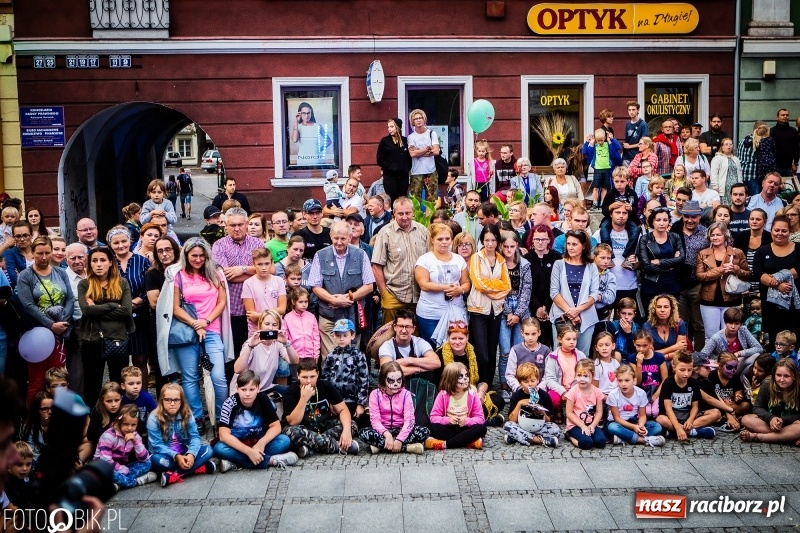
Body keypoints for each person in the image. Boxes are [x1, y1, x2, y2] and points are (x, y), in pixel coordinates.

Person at [168, 237, 234, 431]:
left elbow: (222, 303)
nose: (197, 259)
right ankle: (196, 418)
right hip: (187, 331)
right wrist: (195, 324)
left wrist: (205, 322)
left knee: (218, 377)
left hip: (211, 330)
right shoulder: (178, 275)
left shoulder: (216, 274)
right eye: (194, 256)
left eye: (201, 256)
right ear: (186, 255)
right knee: (189, 377)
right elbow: (175, 307)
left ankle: (222, 416)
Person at [16, 236, 74, 402]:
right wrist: (51, 324)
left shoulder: (60, 272)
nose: (44, 257)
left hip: (60, 332)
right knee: (37, 379)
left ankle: (58, 414)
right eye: (39, 253)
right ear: (32, 253)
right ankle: (33, 415)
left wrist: (63, 321)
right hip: (37, 335)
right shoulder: (26, 276)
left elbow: (69, 298)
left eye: (47, 253)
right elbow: (28, 305)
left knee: (58, 378)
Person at [78, 246, 134, 408]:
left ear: (110, 262)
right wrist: (113, 305)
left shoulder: (122, 283)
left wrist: (98, 308)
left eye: (102, 260)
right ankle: (91, 419)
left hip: (117, 339)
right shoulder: (84, 284)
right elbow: (87, 310)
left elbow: (126, 311)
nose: (98, 264)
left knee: (118, 383)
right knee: (92, 385)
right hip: (92, 340)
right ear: (90, 263)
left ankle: (118, 418)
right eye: (94, 261)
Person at [309, 221, 374, 355]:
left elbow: (369, 286)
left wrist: (349, 298)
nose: (339, 242)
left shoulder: (361, 254)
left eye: (343, 238)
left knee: (352, 357)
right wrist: (333, 300)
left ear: (350, 237)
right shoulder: (320, 255)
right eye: (336, 238)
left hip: (353, 316)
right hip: (329, 316)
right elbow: (315, 285)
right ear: (330, 236)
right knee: (330, 357)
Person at [214, 371, 296, 471]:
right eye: (243, 389)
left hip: (258, 442)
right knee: (219, 448)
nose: (247, 394)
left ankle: (235, 462)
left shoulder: (263, 399)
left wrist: (261, 443)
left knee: (284, 440)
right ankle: (271, 460)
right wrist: (249, 452)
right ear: (237, 388)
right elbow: (223, 435)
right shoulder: (229, 403)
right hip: (237, 445)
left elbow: (276, 426)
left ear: (258, 389)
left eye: (252, 389)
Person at [212, 207, 264, 367]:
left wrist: (242, 269)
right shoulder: (219, 245)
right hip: (232, 308)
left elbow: (266, 269)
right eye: (232, 225)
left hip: (256, 307)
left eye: (240, 224)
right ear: (226, 226)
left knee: (256, 352)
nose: (237, 228)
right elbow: (225, 276)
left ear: (247, 224)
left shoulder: (258, 243)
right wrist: (254, 272)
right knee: (233, 353)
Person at [282, 358, 359, 457]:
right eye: (304, 377)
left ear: (318, 374)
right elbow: (293, 422)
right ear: (298, 375)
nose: (309, 381)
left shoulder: (325, 385)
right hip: (304, 428)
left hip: (323, 426)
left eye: (312, 377)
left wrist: (347, 431)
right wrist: (303, 399)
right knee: (291, 432)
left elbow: (343, 409)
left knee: (351, 424)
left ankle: (312, 446)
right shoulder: (290, 392)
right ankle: (338, 446)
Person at [106, 226, 152, 387]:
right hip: (117, 318)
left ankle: (142, 397)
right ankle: (119, 397)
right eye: (116, 243)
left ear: (130, 241)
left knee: (140, 360)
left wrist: (139, 300)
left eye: (124, 241)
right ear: (110, 245)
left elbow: (150, 287)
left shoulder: (142, 261)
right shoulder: (108, 263)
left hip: (140, 316)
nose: (120, 245)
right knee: (120, 361)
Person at [372, 197, 429, 325]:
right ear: (394, 213)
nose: (404, 217)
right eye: (400, 213)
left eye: (408, 213)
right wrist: (384, 294)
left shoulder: (423, 231)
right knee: (390, 333)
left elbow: (430, 262)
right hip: (393, 294)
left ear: (413, 212)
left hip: (419, 296)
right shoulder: (385, 233)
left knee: (414, 334)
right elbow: (376, 266)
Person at [413, 223, 469, 348]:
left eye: (447, 239)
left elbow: (466, 283)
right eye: (440, 239)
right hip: (430, 313)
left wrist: (460, 290)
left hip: (455, 312)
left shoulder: (459, 259)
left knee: (456, 347)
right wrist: (446, 288)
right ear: (432, 240)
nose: (444, 242)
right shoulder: (424, 260)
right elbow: (423, 285)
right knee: (432, 348)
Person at [466, 224, 510, 386]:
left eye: (493, 240)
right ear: (482, 241)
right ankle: (479, 383)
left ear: (498, 241)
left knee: (492, 351)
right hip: (478, 309)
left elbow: (507, 285)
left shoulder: (501, 259)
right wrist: (496, 287)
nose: (490, 244)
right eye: (487, 240)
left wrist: (491, 291)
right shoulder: (476, 258)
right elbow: (479, 283)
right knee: (481, 351)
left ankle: (489, 386)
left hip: (496, 310)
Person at [147, 383, 215, 486]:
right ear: (162, 400)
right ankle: (199, 467)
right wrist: (176, 456)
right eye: (168, 400)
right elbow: (157, 445)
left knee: (208, 450)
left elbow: (195, 437)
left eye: (176, 400)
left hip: (184, 452)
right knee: (156, 460)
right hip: (166, 456)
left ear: (181, 401)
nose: (172, 403)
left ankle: (174, 475)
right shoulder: (153, 418)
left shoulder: (187, 414)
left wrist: (191, 454)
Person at [358, 361, 429, 455]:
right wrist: (387, 435)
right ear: (383, 380)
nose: (396, 384)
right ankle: (407, 448)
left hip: (401, 429)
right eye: (391, 381)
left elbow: (409, 421)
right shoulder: (375, 395)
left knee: (424, 431)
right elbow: (375, 421)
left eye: (399, 380)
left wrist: (399, 439)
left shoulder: (406, 394)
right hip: (383, 431)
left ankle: (382, 446)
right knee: (363, 433)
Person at [753, 215, 800, 351]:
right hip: (771, 304)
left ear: (789, 231)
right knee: (774, 338)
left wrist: (777, 277)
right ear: (771, 230)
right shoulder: (762, 251)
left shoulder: (798, 248)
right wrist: (778, 285)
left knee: (795, 336)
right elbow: (757, 272)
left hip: (794, 305)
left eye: (784, 231)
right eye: (777, 230)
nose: (780, 233)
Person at [550, 229, 599, 356]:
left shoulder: (592, 266)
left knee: (582, 356)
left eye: (574, 244)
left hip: (586, 317)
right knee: (560, 354)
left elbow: (594, 294)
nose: (570, 247)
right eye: (568, 244)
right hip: (562, 316)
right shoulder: (559, 264)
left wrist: (578, 310)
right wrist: (570, 312)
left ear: (584, 246)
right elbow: (554, 292)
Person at [655, 351, 719, 440]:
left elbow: (695, 407)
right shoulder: (668, 383)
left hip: (688, 417)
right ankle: (692, 432)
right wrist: (678, 427)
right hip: (672, 417)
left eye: (689, 370)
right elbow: (668, 409)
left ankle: (674, 431)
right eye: (682, 370)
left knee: (716, 413)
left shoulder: (693, 382)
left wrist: (690, 420)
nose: (686, 374)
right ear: (674, 367)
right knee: (660, 419)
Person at [425, 362, 487, 450]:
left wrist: (466, 421)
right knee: (431, 427)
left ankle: (445, 444)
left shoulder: (472, 394)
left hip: (465, 427)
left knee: (482, 429)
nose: (465, 379)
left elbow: (480, 419)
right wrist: (448, 420)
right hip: (449, 427)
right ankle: (469, 441)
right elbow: (434, 417)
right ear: (451, 379)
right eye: (460, 376)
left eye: (466, 375)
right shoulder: (443, 394)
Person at [320, 319, 370, 427]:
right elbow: (325, 380)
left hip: (353, 401)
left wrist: (361, 403)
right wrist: (329, 401)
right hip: (336, 401)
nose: (341, 338)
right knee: (336, 427)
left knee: (356, 426)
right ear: (334, 336)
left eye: (345, 335)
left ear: (352, 335)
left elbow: (364, 380)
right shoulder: (331, 356)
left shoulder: (359, 355)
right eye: (338, 335)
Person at [93, 404, 155, 490]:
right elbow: (105, 461)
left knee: (148, 463)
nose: (129, 428)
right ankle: (136, 482)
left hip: (122, 467)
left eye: (133, 425)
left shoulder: (134, 435)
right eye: (126, 424)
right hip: (104, 468)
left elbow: (144, 458)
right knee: (111, 474)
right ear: (118, 422)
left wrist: (136, 442)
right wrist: (121, 469)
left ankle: (119, 483)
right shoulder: (108, 436)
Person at [233, 310, 296, 393]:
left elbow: (294, 361)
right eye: (267, 324)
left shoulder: (278, 342)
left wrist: (286, 343)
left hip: (265, 388)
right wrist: (250, 347)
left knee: (292, 392)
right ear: (260, 325)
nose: (270, 328)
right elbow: (237, 369)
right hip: (247, 391)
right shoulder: (252, 342)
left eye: (274, 325)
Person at [740, 359, 800, 444]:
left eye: (786, 376)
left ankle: (759, 437)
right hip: (770, 423)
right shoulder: (767, 384)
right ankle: (789, 437)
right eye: (778, 375)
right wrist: (771, 418)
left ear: (794, 376)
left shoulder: (798, 388)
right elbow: (757, 407)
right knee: (746, 419)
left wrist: (782, 420)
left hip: (791, 423)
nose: (781, 379)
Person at [502, 361, 560, 447]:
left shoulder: (544, 395)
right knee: (507, 426)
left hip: (538, 426)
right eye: (526, 382)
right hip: (521, 425)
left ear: (538, 380)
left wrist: (542, 412)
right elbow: (512, 420)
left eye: (533, 381)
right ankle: (540, 440)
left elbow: (548, 420)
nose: (530, 384)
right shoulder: (516, 395)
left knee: (555, 429)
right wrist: (520, 404)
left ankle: (518, 437)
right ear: (520, 382)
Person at [606, 364, 665, 446]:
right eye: (620, 381)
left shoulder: (641, 393)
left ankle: (624, 437)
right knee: (612, 427)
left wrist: (641, 425)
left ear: (634, 381)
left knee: (657, 427)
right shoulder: (613, 395)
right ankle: (643, 440)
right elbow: (617, 418)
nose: (623, 384)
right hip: (619, 423)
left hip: (634, 421)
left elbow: (642, 415)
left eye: (627, 380)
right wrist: (633, 427)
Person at [377, 309, 442, 382]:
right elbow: (387, 370)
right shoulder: (387, 346)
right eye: (401, 326)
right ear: (395, 327)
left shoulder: (419, 342)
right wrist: (418, 369)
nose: (404, 330)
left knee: (429, 374)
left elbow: (436, 363)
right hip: (395, 386)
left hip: (417, 385)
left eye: (408, 327)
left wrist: (409, 360)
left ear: (413, 329)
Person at [524, 224, 560, 349]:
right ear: (532, 240)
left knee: (553, 343)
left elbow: (557, 284)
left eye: (543, 239)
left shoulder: (557, 258)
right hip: (532, 306)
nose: (540, 242)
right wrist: (537, 307)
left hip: (552, 305)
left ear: (549, 240)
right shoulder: (526, 259)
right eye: (537, 239)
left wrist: (546, 306)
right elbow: (526, 286)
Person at [242, 248, 287, 335]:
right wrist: (273, 312)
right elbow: (252, 317)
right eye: (260, 264)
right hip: (256, 332)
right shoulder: (248, 283)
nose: (264, 268)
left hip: (277, 330)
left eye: (267, 264)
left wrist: (259, 315)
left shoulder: (279, 281)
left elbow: (282, 309)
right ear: (254, 264)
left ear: (272, 263)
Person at [564, 359, 606, 449]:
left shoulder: (597, 392)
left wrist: (593, 425)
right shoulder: (573, 392)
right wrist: (582, 426)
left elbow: (599, 412)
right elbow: (569, 413)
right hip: (575, 425)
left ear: (593, 376)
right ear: (575, 375)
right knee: (586, 443)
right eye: (579, 375)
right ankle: (569, 436)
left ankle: (590, 434)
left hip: (590, 423)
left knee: (601, 442)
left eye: (586, 376)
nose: (582, 379)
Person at [582, 128, 622, 208]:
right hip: (598, 169)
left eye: (601, 140)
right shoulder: (594, 146)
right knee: (596, 187)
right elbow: (584, 151)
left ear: (604, 138)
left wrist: (611, 139)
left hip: (607, 169)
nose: (600, 142)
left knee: (605, 188)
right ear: (595, 139)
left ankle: (603, 203)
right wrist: (587, 142)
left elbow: (618, 147)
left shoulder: (608, 145)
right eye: (598, 140)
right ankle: (595, 203)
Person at [376, 118, 412, 204]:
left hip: (403, 176)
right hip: (390, 176)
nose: (389, 129)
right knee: (392, 199)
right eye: (388, 127)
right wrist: (391, 167)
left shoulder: (405, 140)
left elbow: (409, 157)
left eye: (392, 127)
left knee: (402, 199)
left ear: (398, 127)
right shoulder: (385, 141)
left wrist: (407, 168)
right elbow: (379, 159)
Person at [406, 109, 439, 203]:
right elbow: (412, 154)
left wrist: (418, 152)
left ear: (424, 119)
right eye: (416, 119)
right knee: (415, 201)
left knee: (431, 201)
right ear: (412, 122)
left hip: (431, 171)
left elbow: (436, 151)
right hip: (416, 172)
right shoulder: (411, 137)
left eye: (420, 118)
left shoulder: (432, 133)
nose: (418, 120)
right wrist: (427, 148)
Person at [633, 329, 667, 418]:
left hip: (657, 389)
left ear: (650, 343)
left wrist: (656, 395)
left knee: (655, 412)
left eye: (645, 345)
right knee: (647, 413)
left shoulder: (659, 357)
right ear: (634, 343)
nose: (641, 349)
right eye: (638, 345)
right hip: (642, 392)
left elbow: (665, 379)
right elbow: (637, 382)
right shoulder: (632, 358)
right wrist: (639, 364)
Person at [643, 294, 688, 361]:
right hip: (655, 362)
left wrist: (665, 356)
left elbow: (680, 351)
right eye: (659, 307)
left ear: (671, 309)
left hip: (676, 361)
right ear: (654, 309)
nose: (662, 310)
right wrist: (674, 347)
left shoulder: (679, 323)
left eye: (666, 307)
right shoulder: (647, 326)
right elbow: (650, 353)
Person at [290, 101, 332, 167]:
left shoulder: (317, 126)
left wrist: (319, 149)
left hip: (315, 161)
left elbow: (328, 141)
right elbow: (295, 140)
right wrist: (296, 121)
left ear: (311, 113)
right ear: (300, 114)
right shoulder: (298, 127)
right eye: (304, 113)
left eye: (308, 113)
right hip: (302, 161)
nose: (306, 116)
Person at [284, 287, 319, 361]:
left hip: (310, 355)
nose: (304, 305)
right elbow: (286, 338)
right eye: (300, 302)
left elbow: (316, 337)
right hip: (295, 355)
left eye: (306, 302)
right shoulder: (287, 318)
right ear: (293, 302)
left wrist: (316, 353)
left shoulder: (311, 317)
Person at [120, 365, 156, 431]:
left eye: (138, 383)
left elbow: (156, 414)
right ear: (123, 386)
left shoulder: (147, 398)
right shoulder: (120, 398)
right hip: (124, 430)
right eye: (131, 384)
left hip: (142, 431)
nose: (135, 387)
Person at [87, 382, 123, 446]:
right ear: (102, 400)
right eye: (109, 401)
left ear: (121, 398)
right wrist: (110, 431)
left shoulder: (125, 410)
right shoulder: (98, 412)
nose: (113, 405)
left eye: (117, 400)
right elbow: (90, 435)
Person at [710, 138, 742, 205]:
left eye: (730, 144)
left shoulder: (736, 159)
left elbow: (740, 173)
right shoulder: (717, 158)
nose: (729, 146)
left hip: (735, 188)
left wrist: (741, 185)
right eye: (726, 144)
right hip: (723, 189)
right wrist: (715, 186)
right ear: (722, 147)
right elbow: (714, 173)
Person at [771, 109, 799, 177]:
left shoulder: (793, 131)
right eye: (783, 115)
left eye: (787, 115)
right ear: (777, 117)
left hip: (789, 167)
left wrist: (795, 163)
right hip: (775, 166)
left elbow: (797, 149)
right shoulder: (772, 131)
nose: (785, 116)